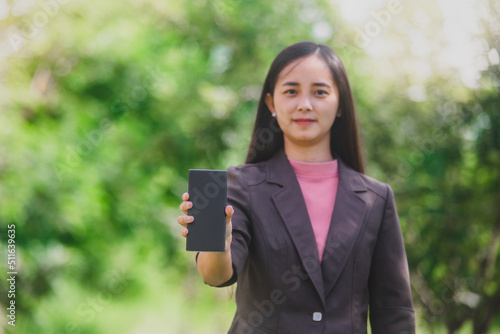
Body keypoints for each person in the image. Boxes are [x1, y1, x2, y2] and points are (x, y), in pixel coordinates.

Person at [177, 41, 415, 333]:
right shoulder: (241, 185)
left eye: (320, 92)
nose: (305, 104)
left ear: (340, 104)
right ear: (270, 104)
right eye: (291, 91)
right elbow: (215, 275)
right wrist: (218, 241)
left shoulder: (376, 199)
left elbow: (393, 312)